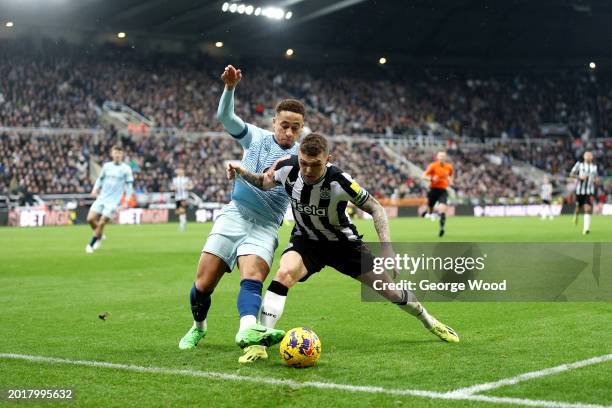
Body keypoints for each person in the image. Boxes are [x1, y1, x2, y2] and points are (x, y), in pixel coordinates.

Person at [227, 133, 459, 363]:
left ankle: (429, 321)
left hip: (345, 246)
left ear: (328, 159)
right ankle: (261, 343)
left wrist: (387, 249)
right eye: (304, 163)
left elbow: (376, 208)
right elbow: (263, 182)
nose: (307, 170)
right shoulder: (287, 168)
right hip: (307, 241)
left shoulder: (340, 181)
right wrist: (242, 171)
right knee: (283, 273)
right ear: (298, 156)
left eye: (315, 165)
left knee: (391, 292)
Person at [178, 65, 306, 364]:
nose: (289, 132)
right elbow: (226, 118)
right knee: (203, 285)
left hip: (265, 225)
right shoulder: (256, 138)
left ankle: (247, 330)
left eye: (295, 127)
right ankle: (198, 327)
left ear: (301, 128)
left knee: (252, 277)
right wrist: (230, 88)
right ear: (274, 122)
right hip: (235, 214)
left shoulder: (302, 157)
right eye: (284, 125)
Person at [86, 145, 134, 253]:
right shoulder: (107, 166)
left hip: (113, 202)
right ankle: (100, 234)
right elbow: (100, 179)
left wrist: (126, 201)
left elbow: (129, 187)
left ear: (122, 155)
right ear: (112, 154)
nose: (117, 155)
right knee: (90, 219)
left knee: (102, 222)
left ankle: (92, 243)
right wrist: (95, 189)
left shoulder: (126, 169)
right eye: (115, 153)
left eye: (119, 153)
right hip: (102, 198)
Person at [422, 152, 454, 237]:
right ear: (437, 157)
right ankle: (427, 211)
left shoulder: (449, 167)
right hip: (433, 190)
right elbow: (424, 176)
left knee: (442, 210)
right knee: (430, 209)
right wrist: (431, 178)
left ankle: (441, 228)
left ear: (445, 157)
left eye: (443, 156)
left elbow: (450, 176)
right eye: (440, 156)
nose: (441, 158)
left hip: (443, 191)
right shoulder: (433, 166)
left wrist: (450, 180)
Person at [569, 151, 598, 235]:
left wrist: (596, 180)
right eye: (587, 155)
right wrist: (579, 177)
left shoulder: (594, 167)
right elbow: (571, 174)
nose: (589, 156)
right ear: (584, 157)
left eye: (590, 155)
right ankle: (576, 214)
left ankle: (586, 228)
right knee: (578, 208)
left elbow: (596, 177)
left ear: (592, 157)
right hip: (579, 191)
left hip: (589, 192)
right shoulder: (579, 164)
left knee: (587, 208)